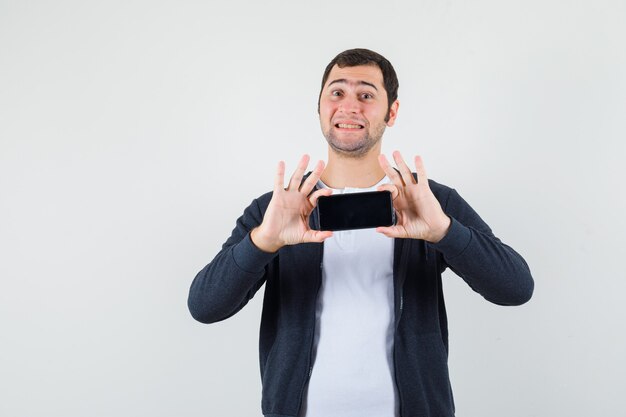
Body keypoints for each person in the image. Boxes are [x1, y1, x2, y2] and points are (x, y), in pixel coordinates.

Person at [188, 48, 534, 417]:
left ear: (392, 112)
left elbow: (515, 288)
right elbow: (204, 306)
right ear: (319, 107)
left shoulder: (429, 200)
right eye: (336, 93)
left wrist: (444, 232)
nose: (349, 106)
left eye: (366, 95)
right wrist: (262, 242)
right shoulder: (277, 208)